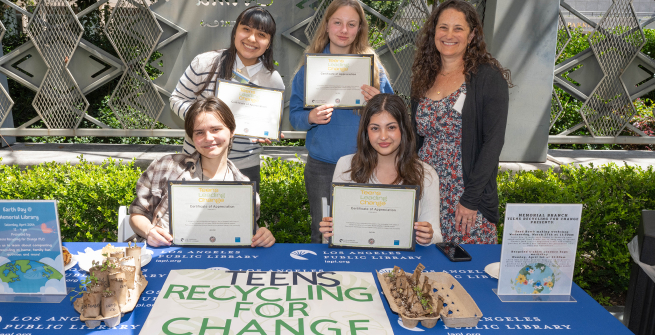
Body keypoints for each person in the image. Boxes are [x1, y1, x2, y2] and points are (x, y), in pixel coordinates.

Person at [289, 0, 394, 243]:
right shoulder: (309, 68)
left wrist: (381, 102)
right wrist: (310, 117)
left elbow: (393, 118)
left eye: (351, 24)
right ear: (326, 25)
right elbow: (295, 118)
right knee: (323, 232)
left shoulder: (373, 69)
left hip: (367, 165)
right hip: (322, 168)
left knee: (365, 233)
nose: (343, 30)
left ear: (360, 29)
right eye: (337, 22)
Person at [411, 0, 511, 244]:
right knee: (426, 269)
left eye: (458, 28)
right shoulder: (424, 76)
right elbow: (415, 137)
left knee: (466, 267)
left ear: (472, 34)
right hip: (426, 191)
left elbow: (493, 142)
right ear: (434, 32)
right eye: (443, 27)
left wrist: (470, 199)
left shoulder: (487, 77)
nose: (449, 35)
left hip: (465, 195)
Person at [129, 97, 275, 248]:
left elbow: (247, 236)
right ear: (191, 137)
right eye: (199, 132)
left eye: (215, 129)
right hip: (164, 256)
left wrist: (263, 235)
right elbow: (137, 214)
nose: (208, 138)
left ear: (231, 131)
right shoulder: (166, 167)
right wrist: (149, 231)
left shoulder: (244, 188)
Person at [170, 6, 284, 190]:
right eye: (246, 29)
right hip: (197, 161)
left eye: (261, 34)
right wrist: (203, 120)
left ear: (269, 42)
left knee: (239, 218)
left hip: (245, 166)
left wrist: (269, 131)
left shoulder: (273, 80)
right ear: (235, 31)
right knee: (191, 218)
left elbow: (271, 123)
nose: (252, 39)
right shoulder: (205, 62)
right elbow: (177, 99)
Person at [318, 94, 441, 246]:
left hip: (403, 266)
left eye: (391, 127)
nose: (383, 136)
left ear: (403, 129)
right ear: (366, 132)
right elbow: (336, 235)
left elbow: (436, 235)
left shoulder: (426, 174)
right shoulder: (346, 166)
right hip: (357, 261)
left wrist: (427, 236)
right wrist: (330, 232)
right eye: (375, 128)